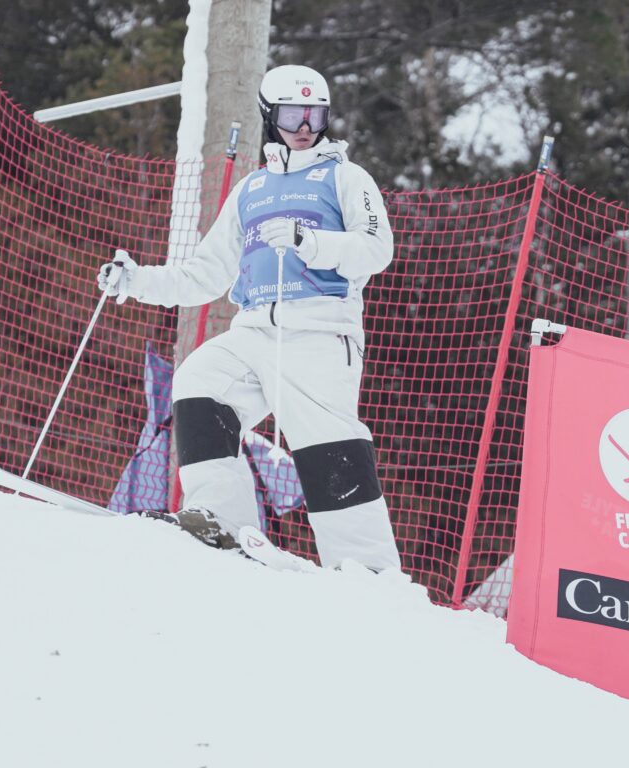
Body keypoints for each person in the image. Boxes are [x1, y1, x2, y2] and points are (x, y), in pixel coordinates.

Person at [97, 64, 401, 572]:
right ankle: (221, 519)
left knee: (325, 444)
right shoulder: (252, 190)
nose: (304, 126)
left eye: (314, 114)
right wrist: (136, 281)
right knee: (199, 380)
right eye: (291, 114)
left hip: (320, 333)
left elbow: (377, 249)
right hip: (255, 328)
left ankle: (368, 570)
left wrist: (313, 242)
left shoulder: (345, 177)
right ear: (268, 115)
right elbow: (206, 273)